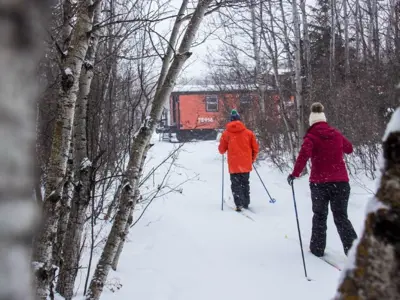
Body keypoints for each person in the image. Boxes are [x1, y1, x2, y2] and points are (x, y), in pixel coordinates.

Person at [287, 102, 357, 257]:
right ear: (324, 119)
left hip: (320, 184)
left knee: (320, 216)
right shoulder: (336, 134)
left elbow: (303, 156)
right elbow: (349, 149)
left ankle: (318, 249)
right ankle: (354, 252)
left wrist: (294, 174)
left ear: (312, 122)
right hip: (341, 183)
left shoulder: (311, 137)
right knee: (341, 217)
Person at [218, 109, 259, 211]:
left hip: (234, 164)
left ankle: (239, 203)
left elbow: (221, 150)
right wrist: (251, 160)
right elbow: (255, 149)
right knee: (245, 183)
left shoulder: (226, 134)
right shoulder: (249, 133)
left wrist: (222, 143)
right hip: (245, 164)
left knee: (235, 184)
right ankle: (246, 202)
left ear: (230, 120)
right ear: (240, 120)